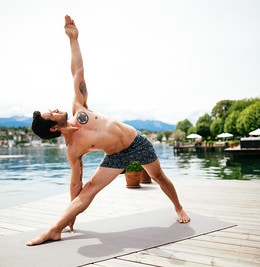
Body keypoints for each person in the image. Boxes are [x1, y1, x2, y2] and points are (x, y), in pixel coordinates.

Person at [27, 15, 190, 246]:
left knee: (158, 177)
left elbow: (77, 72)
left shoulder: (79, 108)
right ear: (54, 127)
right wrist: (71, 214)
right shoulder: (73, 149)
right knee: (89, 189)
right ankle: (55, 229)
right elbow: (76, 183)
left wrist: (73, 39)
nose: (54, 109)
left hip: (137, 142)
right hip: (116, 156)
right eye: (50, 114)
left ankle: (179, 207)